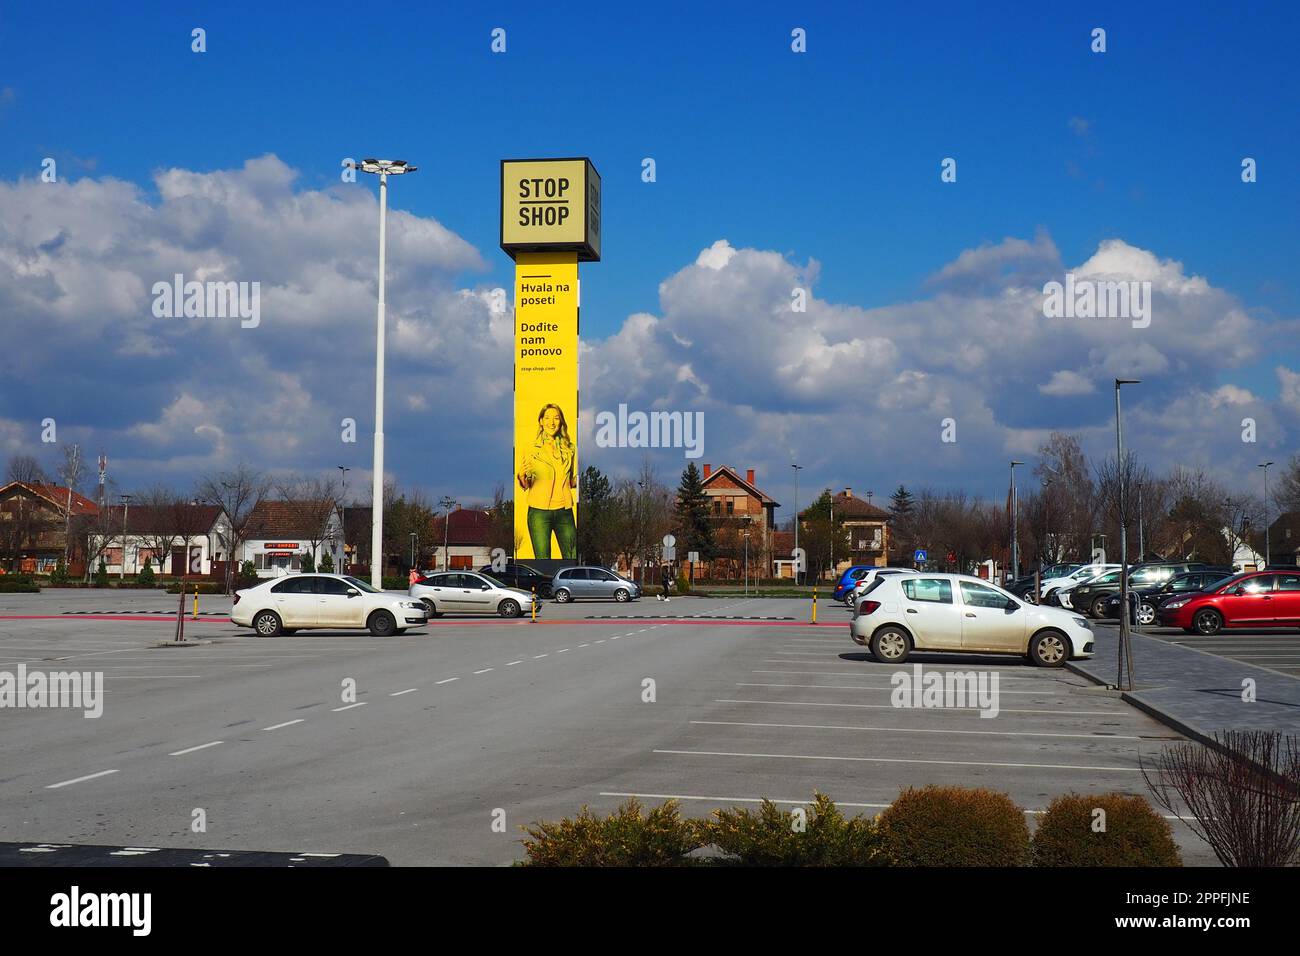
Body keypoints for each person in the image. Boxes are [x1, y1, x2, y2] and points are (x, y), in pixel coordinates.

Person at [516, 403, 577, 559]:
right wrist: (522, 476)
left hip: (564, 511)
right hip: (539, 512)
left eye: (556, 418)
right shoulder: (530, 448)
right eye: (548, 418)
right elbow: (526, 484)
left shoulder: (570, 448)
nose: (552, 422)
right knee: (542, 559)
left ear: (561, 421)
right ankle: (544, 584)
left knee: (571, 556)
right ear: (541, 421)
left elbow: (573, 480)